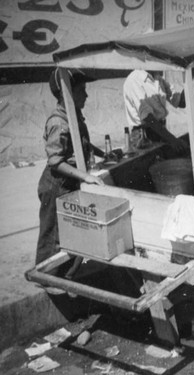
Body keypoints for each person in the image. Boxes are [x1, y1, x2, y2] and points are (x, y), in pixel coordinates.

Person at [36, 68, 104, 277]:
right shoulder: (58, 122)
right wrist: (85, 176)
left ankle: (64, 275)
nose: (86, 95)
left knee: (72, 232)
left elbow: (80, 143)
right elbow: (56, 161)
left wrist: (103, 153)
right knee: (53, 235)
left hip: (68, 183)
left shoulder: (73, 116)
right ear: (67, 93)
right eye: (82, 90)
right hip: (56, 186)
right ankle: (46, 279)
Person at [123, 69, 188, 156]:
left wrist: (189, 75)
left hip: (159, 131)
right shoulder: (134, 80)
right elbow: (147, 118)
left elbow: (181, 102)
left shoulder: (157, 78)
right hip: (142, 137)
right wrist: (173, 140)